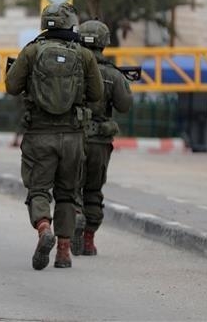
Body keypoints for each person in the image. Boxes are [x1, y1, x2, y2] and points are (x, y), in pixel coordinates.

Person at [5, 3, 102, 270]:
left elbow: (11, 86)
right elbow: (96, 94)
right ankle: (63, 251)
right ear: (71, 23)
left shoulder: (32, 51)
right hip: (73, 135)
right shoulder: (84, 54)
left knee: (38, 189)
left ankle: (43, 227)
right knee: (67, 193)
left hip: (39, 134)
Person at [72, 19, 132, 256]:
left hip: (73, 137)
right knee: (94, 191)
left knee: (71, 188)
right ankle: (88, 240)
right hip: (99, 142)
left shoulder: (71, 68)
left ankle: (75, 216)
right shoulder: (112, 74)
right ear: (104, 43)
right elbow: (124, 105)